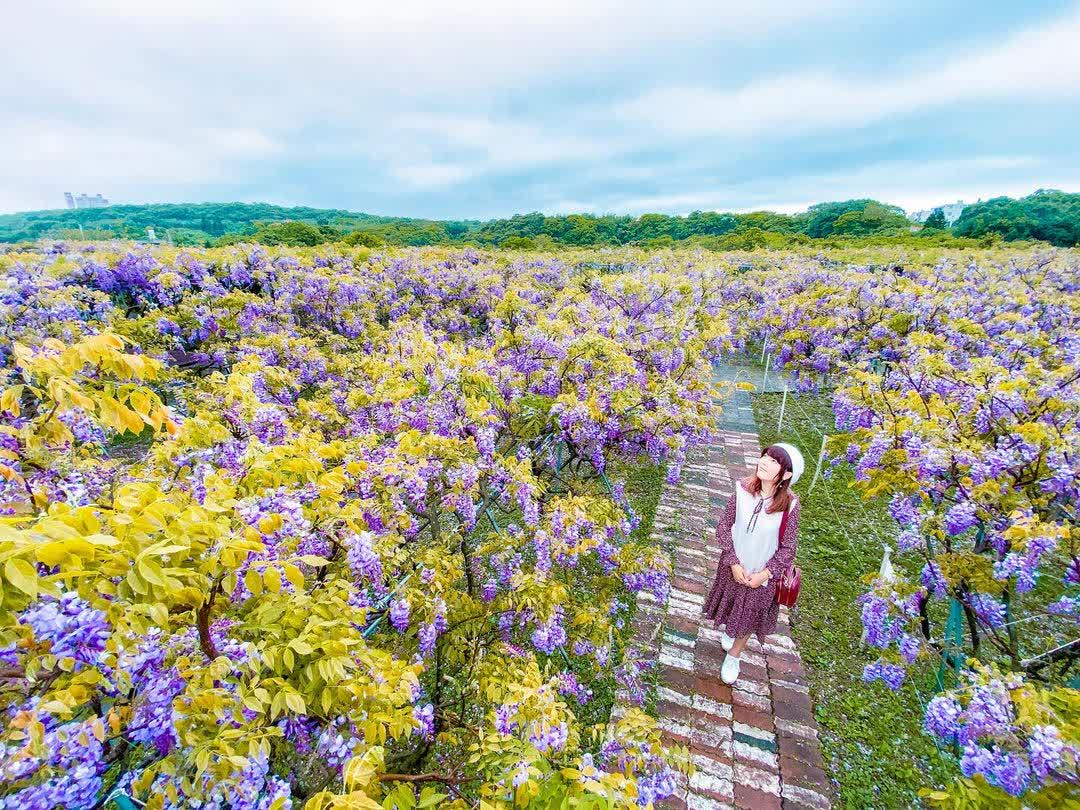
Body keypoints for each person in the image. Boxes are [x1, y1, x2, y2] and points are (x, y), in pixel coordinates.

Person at [702, 442, 804, 685]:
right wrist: (733, 562)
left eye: (773, 461)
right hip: (734, 566)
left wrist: (765, 574)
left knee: (750, 614)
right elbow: (723, 527)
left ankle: (734, 656)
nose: (764, 462)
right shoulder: (742, 490)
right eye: (765, 456)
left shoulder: (790, 505)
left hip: (761, 575)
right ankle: (730, 630)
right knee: (732, 604)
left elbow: (788, 548)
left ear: (786, 475)